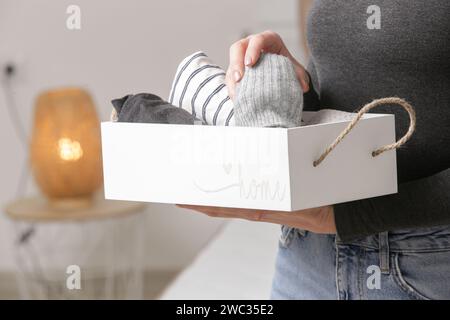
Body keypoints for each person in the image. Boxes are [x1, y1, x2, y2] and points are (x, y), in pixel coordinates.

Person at [178, 0, 450, 299]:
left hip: (425, 264)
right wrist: (290, 86)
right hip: (308, 257)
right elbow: (336, 99)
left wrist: (344, 217)